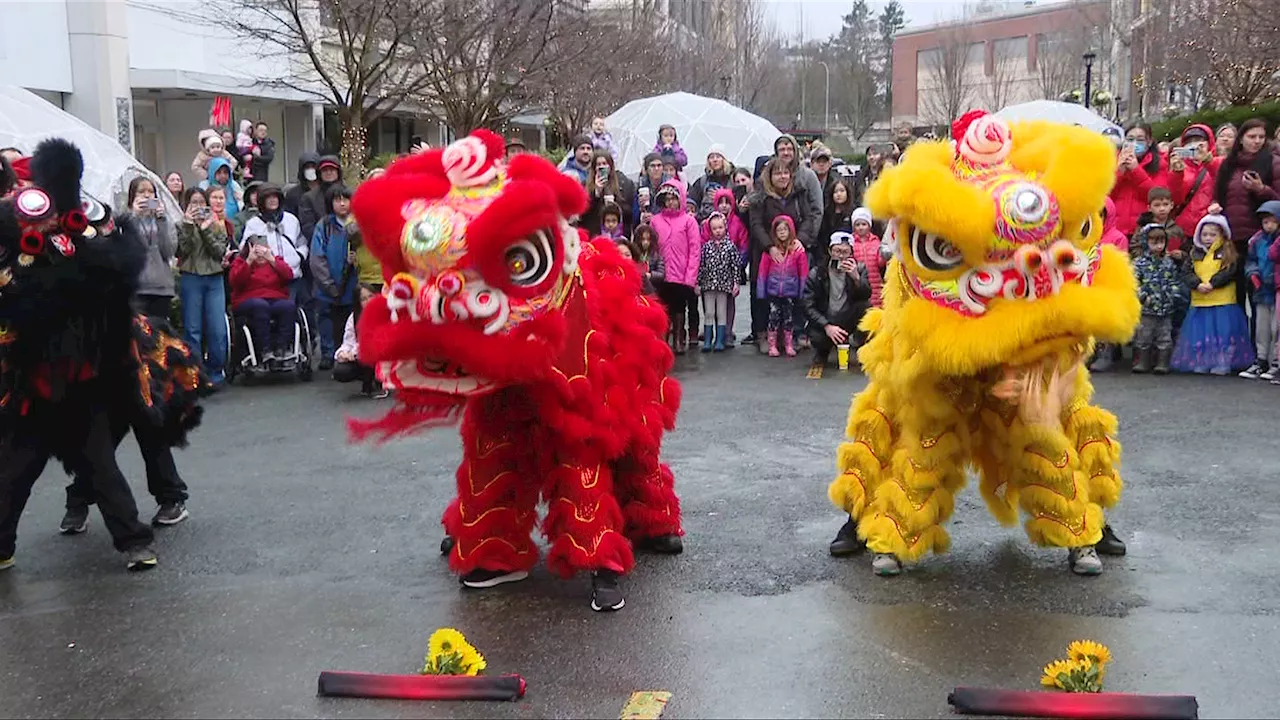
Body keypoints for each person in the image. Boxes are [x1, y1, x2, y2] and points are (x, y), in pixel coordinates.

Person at [1211, 119, 1280, 315]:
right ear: (1241, 139)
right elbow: (1218, 194)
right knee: (1235, 293)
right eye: (1252, 137)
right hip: (1232, 237)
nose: (1256, 141)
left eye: (1261, 137)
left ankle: (1260, 340)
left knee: (1258, 294)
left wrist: (1261, 189)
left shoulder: (1273, 162)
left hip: (1261, 238)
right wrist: (1215, 205)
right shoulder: (1229, 164)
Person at [1171, 214, 1254, 374]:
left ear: (1222, 235)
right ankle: (1203, 361)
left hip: (1223, 301)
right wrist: (1197, 284)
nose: (1208, 238)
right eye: (1205, 234)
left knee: (1222, 335)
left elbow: (1229, 270)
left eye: (1212, 234)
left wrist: (1213, 283)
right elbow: (1186, 272)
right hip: (1200, 301)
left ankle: (1222, 362)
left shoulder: (1228, 252)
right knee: (1200, 336)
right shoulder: (1194, 253)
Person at [749, 159, 812, 353]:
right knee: (762, 295)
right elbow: (756, 224)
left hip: (792, 251)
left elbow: (808, 218)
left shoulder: (798, 194)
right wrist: (770, 247)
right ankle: (763, 335)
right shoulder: (760, 197)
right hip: (766, 251)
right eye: (777, 173)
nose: (782, 177)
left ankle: (789, 337)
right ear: (770, 176)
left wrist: (800, 239)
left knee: (791, 296)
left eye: (785, 173)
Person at [176, 187, 230, 389]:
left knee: (217, 328)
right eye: (193, 203)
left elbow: (218, 252)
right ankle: (194, 373)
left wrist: (206, 228)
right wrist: (189, 226)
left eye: (201, 203)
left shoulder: (217, 224)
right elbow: (183, 250)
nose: (198, 207)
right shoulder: (181, 225)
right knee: (193, 328)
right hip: (191, 277)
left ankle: (216, 371)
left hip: (214, 278)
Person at [803, 233, 872, 372]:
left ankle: (858, 344)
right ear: (830, 251)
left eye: (845, 252)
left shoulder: (859, 268)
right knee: (817, 336)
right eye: (837, 251)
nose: (841, 256)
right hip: (826, 318)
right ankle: (822, 351)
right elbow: (807, 306)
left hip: (848, 317)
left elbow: (866, 295)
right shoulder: (817, 273)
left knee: (868, 309)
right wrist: (827, 326)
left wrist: (856, 279)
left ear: (852, 253)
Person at [230, 236, 298, 369]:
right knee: (260, 306)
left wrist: (271, 260)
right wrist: (249, 261)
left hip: (276, 298)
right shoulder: (241, 262)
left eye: (263, 250)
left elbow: (289, 275)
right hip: (248, 300)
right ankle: (265, 350)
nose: (260, 255)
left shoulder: (275, 261)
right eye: (257, 251)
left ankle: (282, 348)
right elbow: (235, 282)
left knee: (288, 306)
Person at [310, 185, 359, 370]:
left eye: (345, 199)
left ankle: (350, 355)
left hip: (352, 284)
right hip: (328, 285)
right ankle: (328, 353)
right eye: (337, 200)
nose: (342, 203)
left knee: (351, 321)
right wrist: (328, 284)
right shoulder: (324, 225)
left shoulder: (357, 224)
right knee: (326, 319)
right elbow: (316, 257)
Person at [650, 180, 701, 354]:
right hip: (661, 272)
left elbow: (695, 249)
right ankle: (664, 338)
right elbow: (652, 245)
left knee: (680, 307)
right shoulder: (656, 221)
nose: (671, 202)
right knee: (663, 306)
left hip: (681, 272)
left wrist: (690, 277)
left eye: (674, 198)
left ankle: (679, 338)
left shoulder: (689, 221)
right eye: (667, 199)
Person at [242, 184, 307, 305]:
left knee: (293, 310)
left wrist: (299, 256)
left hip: (292, 274)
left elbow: (302, 242)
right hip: (269, 280)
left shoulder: (291, 220)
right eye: (268, 197)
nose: (272, 200)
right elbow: (244, 250)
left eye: (275, 197)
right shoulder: (253, 224)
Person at [1130, 224, 1182, 374]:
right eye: (1154, 242)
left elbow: (1174, 281)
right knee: (1143, 336)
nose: (1159, 246)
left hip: (1166, 308)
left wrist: (1173, 295)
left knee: (1164, 336)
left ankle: (1162, 362)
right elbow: (1133, 283)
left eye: (1162, 242)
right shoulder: (1140, 263)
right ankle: (1143, 361)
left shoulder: (1168, 262)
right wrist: (1143, 297)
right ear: (1146, 242)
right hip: (1146, 308)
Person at [756, 215, 809, 357]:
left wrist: (803, 291)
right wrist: (761, 291)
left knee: (788, 318)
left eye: (785, 229)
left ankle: (789, 344)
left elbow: (803, 272)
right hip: (773, 291)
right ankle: (772, 345)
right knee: (773, 318)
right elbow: (762, 272)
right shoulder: (769, 252)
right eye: (779, 230)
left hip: (790, 291)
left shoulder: (798, 252)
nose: (782, 232)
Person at [1241, 200, 1280, 379]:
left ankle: (1275, 361)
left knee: (1276, 327)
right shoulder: (1256, 240)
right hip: (1261, 288)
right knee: (1261, 328)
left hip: (1276, 288)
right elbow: (1251, 260)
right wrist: (1253, 273)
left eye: (1273, 221)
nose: (1269, 225)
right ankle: (1261, 359)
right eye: (1265, 222)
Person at [129, 177, 178, 319]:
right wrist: (135, 216)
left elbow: (168, 251)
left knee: (160, 335)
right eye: (141, 192)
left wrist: (162, 220)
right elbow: (127, 249)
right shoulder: (127, 219)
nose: (146, 195)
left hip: (161, 288)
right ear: (132, 196)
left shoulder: (162, 220)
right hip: (137, 287)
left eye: (150, 191)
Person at [1110, 122, 1169, 236]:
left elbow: (1156, 196)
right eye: (1130, 139)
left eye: (1140, 140)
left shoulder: (1159, 164)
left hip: (1143, 230)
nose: (1134, 144)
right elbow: (1106, 196)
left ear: (1149, 142)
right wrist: (1119, 173)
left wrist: (1136, 170)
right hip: (1116, 229)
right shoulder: (1113, 161)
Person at [1168, 124, 1221, 239]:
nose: (1194, 145)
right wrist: (1176, 174)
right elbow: (1175, 199)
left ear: (1209, 143)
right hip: (1184, 229)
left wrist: (1208, 161)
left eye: (1199, 141)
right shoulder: (1181, 167)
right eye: (1189, 142)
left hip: (1211, 228)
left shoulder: (1218, 162)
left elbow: (1223, 182)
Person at [697, 213, 740, 352]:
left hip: (723, 285)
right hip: (708, 285)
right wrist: (697, 283)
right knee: (709, 312)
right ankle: (708, 340)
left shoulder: (730, 247)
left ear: (725, 227)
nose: (718, 231)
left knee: (721, 312)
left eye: (720, 227)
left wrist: (736, 283)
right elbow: (701, 266)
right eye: (714, 228)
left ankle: (720, 340)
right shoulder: (706, 247)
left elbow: (735, 266)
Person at [333, 284, 385, 397]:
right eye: (363, 299)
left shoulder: (385, 313)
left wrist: (355, 352)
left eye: (371, 296)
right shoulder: (354, 317)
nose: (368, 301)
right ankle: (368, 381)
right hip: (361, 356)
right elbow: (348, 341)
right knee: (340, 370)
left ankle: (380, 381)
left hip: (383, 355)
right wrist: (343, 353)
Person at [580, 150, 633, 237]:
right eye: (598, 164)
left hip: (617, 235)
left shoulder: (622, 183)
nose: (602, 167)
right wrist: (596, 193)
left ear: (610, 166)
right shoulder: (585, 185)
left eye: (604, 164)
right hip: (595, 233)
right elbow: (583, 213)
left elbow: (628, 212)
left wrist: (614, 204)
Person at [299, 155, 343, 243]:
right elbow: (308, 227)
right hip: (320, 245)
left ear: (338, 172)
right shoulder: (309, 198)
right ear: (319, 174)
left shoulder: (349, 194)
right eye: (325, 170)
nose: (328, 173)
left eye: (332, 170)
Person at [848, 207, 887, 307]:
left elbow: (880, 263)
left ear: (869, 226)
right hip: (859, 281)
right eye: (857, 225)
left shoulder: (876, 242)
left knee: (877, 307)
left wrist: (884, 257)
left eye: (864, 224)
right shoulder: (851, 242)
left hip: (875, 281)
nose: (861, 227)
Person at [687, 145, 735, 222]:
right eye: (711, 157)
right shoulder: (702, 181)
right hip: (705, 222)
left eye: (718, 156)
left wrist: (720, 195)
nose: (715, 160)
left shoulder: (733, 180)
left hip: (728, 222)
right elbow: (692, 200)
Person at [819, 178, 855, 269]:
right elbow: (823, 237)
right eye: (836, 192)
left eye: (842, 191)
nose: (839, 194)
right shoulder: (827, 213)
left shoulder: (853, 212)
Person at [635, 152, 667, 227]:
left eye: (659, 165)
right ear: (646, 170)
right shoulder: (641, 186)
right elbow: (633, 218)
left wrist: (655, 218)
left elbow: (673, 212)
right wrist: (641, 209)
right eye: (652, 166)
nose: (656, 169)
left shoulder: (669, 185)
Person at [284, 152, 320, 217]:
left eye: (313, 167)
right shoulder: (293, 194)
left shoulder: (325, 191)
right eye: (307, 167)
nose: (310, 170)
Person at [633, 224, 664, 297]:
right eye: (643, 239)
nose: (646, 242)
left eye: (648, 239)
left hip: (652, 290)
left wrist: (650, 275)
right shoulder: (633, 254)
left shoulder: (656, 256)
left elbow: (661, 274)